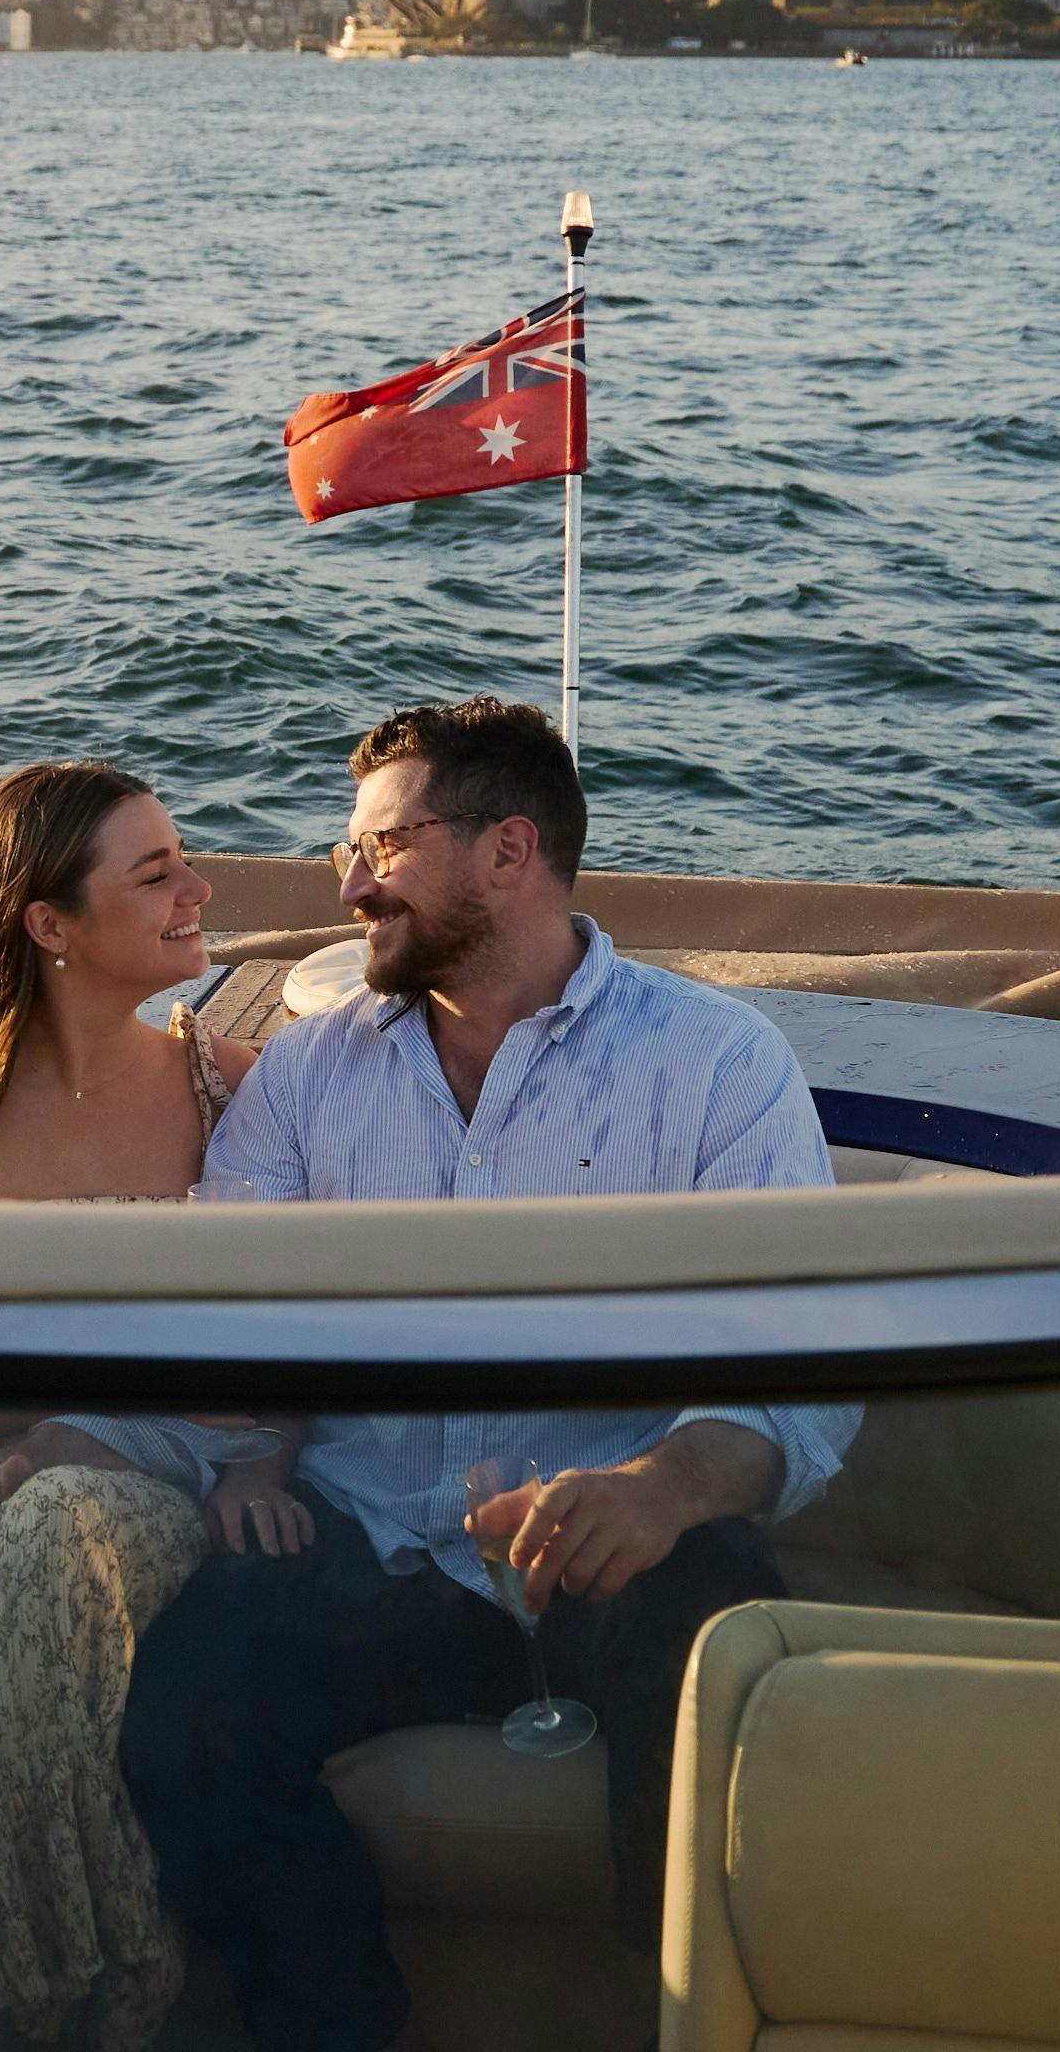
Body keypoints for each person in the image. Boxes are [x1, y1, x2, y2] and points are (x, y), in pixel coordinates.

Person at [117, 699, 856, 2052]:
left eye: (382, 850)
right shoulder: (306, 1076)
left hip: (624, 1536)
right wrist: (231, 1437)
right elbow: (228, 1322)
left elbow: (803, 1370)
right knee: (176, 1718)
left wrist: (659, 1485)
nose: (345, 885)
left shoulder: (715, 1065)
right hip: (369, 1539)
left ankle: (682, 2027)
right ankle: (331, 2026)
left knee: (722, 1715)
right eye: (347, 852)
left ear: (508, 851)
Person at [0, 762, 305, 2052]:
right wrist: (62, 1408)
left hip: (148, 1483)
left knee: (68, 1525)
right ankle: (44, 1998)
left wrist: (74, 1428)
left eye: (183, 858)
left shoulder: (234, 1088)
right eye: (153, 873)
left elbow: (297, 1355)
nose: (197, 888)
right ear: (47, 923)